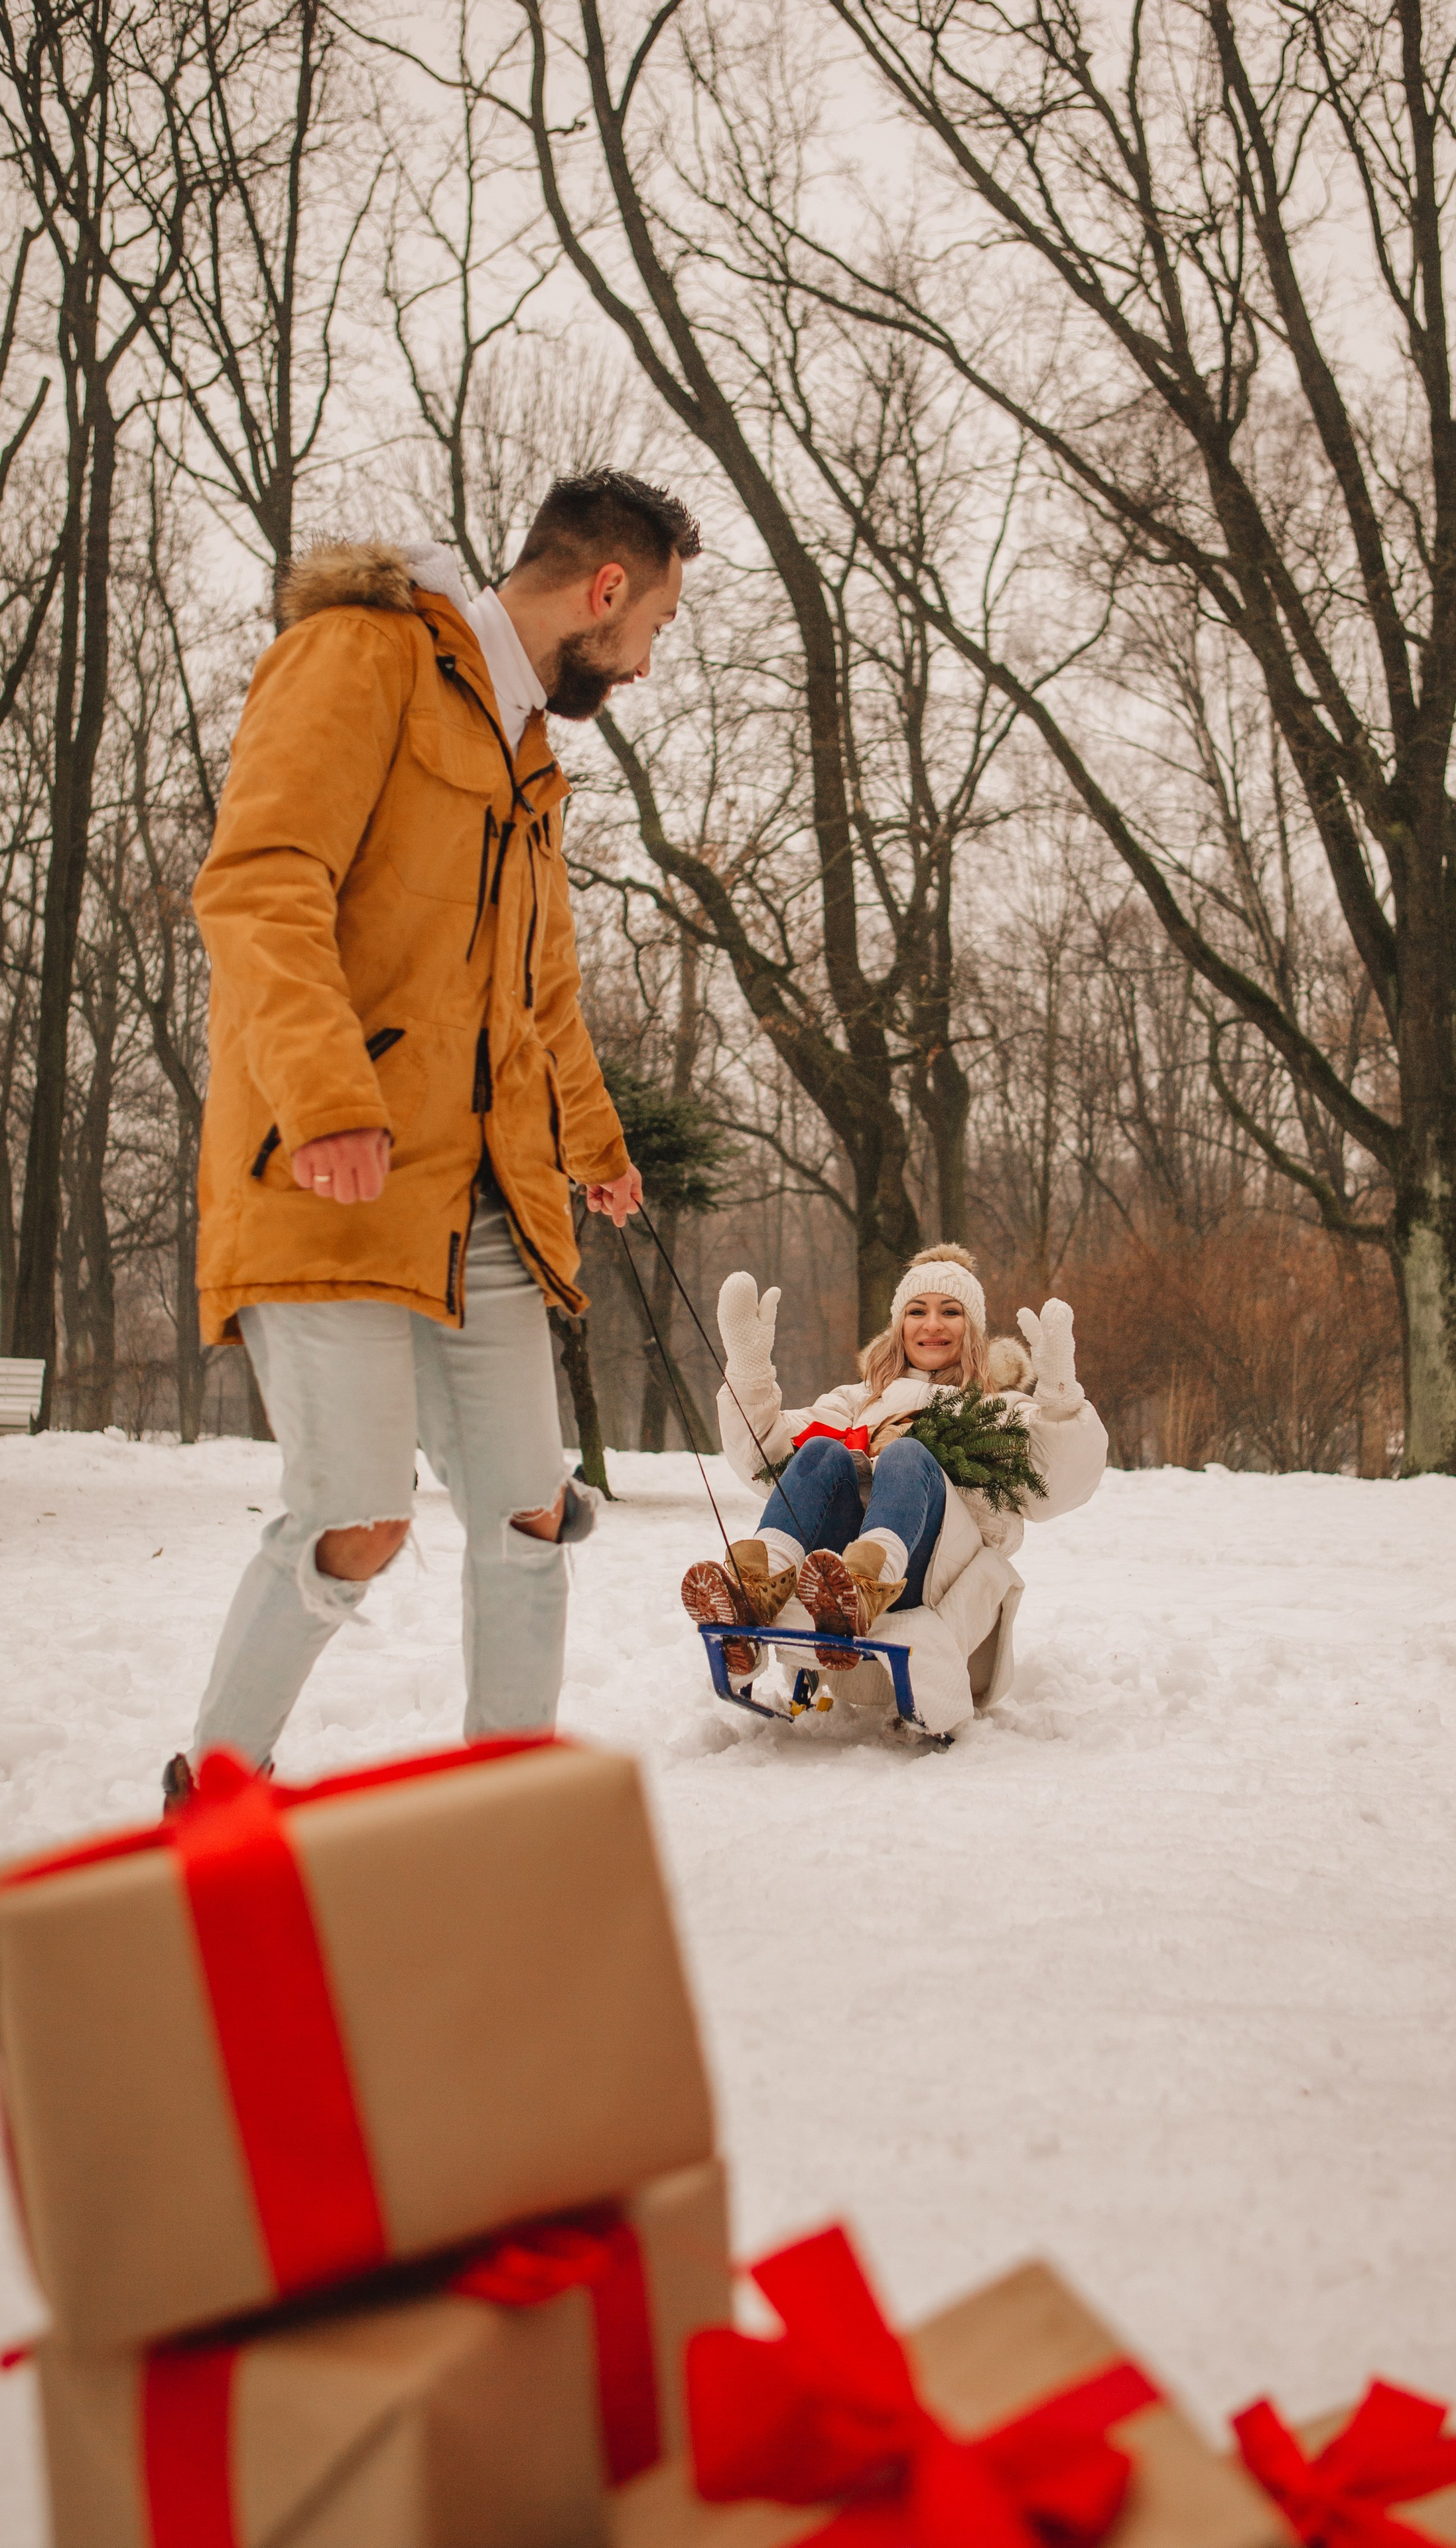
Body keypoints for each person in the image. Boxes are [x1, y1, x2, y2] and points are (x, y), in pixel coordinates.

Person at [164, 471, 701, 1805]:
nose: (644, 662)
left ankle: (503, 1812)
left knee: (529, 1509)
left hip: (487, 1202)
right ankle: (217, 1790)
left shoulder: (529, 758)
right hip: (328, 1174)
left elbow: (540, 992)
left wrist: (593, 1143)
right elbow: (262, 879)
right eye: (654, 627)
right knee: (356, 1519)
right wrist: (327, 1096)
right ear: (606, 591)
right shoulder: (363, 653)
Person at [681, 1243, 1108, 1737]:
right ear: (898, 1325)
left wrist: (1058, 1403)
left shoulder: (999, 1408)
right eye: (917, 1311)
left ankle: (870, 1581)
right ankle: (761, 1590)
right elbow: (767, 1459)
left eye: (951, 1312)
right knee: (821, 1451)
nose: (933, 1325)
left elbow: (1057, 1485)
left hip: (936, 1574)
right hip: (834, 1576)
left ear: (972, 1329)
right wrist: (751, 1373)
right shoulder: (859, 1401)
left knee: (907, 1455)